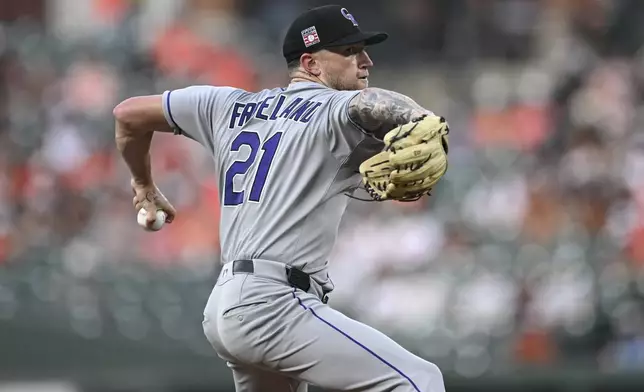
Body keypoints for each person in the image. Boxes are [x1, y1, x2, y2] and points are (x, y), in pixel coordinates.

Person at [114, 4, 446, 392]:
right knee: (420, 381)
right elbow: (367, 105)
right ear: (311, 63)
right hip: (273, 305)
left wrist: (143, 185)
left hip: (226, 306)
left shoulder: (226, 105)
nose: (366, 60)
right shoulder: (333, 108)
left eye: (363, 50)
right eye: (350, 51)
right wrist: (420, 117)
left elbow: (128, 114)